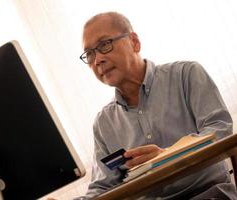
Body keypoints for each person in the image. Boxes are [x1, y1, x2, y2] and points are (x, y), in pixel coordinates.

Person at [73, 11, 237, 200]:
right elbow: (103, 187)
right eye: (89, 53)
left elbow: (220, 130)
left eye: (104, 45)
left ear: (134, 42)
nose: (97, 60)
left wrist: (167, 156)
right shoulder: (103, 123)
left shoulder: (186, 75)